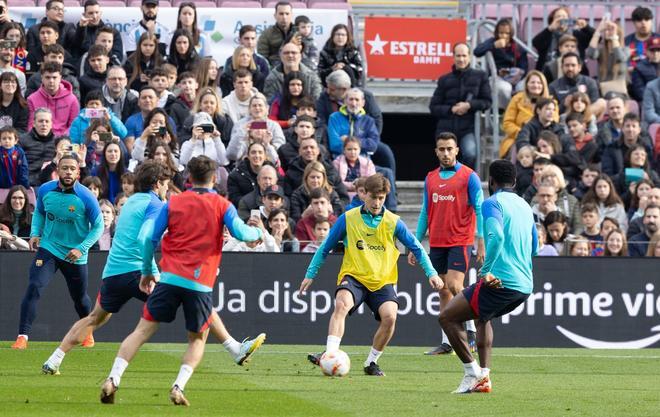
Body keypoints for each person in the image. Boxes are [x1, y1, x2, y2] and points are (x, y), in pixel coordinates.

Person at [42, 161, 266, 375]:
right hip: (138, 272)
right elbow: (144, 238)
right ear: (157, 182)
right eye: (166, 183)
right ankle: (234, 349)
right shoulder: (154, 204)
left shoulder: (131, 201)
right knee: (198, 299)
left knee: (94, 318)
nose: (167, 188)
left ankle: (55, 358)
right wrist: (150, 272)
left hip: (113, 272)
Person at [99, 155, 263, 406]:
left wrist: (146, 270)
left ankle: (113, 379)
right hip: (199, 284)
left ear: (188, 179)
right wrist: (258, 233)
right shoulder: (222, 205)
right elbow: (242, 233)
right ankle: (178, 386)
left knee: (141, 332)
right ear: (214, 178)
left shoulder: (173, 203)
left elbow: (148, 239)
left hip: (169, 278)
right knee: (197, 338)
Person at [301, 173, 442, 376]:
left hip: (383, 281)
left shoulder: (394, 222)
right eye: (373, 197)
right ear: (364, 194)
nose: (377, 202)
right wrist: (310, 274)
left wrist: (431, 273)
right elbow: (325, 247)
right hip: (354, 277)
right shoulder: (348, 219)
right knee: (341, 304)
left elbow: (417, 248)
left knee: (390, 317)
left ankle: (371, 362)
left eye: (381, 198)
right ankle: (330, 354)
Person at [439, 159, 536, 394]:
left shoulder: (491, 203)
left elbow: (497, 237)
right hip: (524, 285)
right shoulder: (525, 205)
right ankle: (484, 376)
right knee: (484, 317)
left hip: (501, 281)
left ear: (490, 181)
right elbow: (535, 246)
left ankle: (471, 374)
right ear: (514, 181)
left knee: (447, 317)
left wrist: (487, 269)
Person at [11, 154, 103, 350]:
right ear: (58, 170)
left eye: (72, 168)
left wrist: (81, 248)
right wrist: (36, 233)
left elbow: (99, 226)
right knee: (34, 286)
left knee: (79, 298)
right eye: (64, 168)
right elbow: (39, 212)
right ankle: (22, 337)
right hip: (49, 248)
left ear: (78, 172)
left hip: (74, 254)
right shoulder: (45, 190)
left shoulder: (86, 196)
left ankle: (87, 333)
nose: (68, 172)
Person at [412, 132, 484, 355]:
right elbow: (426, 211)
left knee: (454, 285)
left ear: (457, 151)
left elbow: (480, 209)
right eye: (441, 149)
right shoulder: (431, 177)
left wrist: (480, 241)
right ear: (436, 151)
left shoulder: (469, 176)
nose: (445, 153)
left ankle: (471, 328)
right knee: (442, 290)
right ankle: (447, 342)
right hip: (437, 242)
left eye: (449, 149)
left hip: (460, 240)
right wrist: (415, 243)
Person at [430, 43, 491, 169]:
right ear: (453, 57)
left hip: (467, 128)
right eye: (458, 56)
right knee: (445, 159)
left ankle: (463, 181)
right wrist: (452, 109)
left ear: (469, 57)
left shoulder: (481, 76)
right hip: (446, 129)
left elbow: (487, 102)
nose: (461, 59)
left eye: (464, 55)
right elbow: (434, 107)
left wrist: (469, 105)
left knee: (471, 154)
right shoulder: (444, 79)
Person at [500, 70, 556, 157]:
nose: (536, 85)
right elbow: (507, 123)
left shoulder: (551, 102)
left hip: (545, 140)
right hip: (518, 138)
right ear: (527, 85)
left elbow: (554, 122)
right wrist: (523, 133)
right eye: (532, 82)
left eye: (539, 82)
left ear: (543, 85)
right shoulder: (517, 99)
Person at [474, 18, 528, 109]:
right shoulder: (492, 41)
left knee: (523, 87)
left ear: (511, 34)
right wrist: (494, 45)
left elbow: (524, 68)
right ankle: (508, 112)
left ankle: (521, 112)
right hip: (497, 77)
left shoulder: (517, 47)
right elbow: (477, 51)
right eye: (501, 33)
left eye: (507, 33)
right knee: (504, 88)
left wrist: (513, 74)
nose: (504, 36)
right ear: (496, 33)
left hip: (516, 78)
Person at [532, 6, 594, 72]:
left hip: (574, 74)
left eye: (564, 17)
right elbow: (535, 43)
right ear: (552, 20)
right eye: (558, 17)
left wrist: (586, 27)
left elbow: (597, 39)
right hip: (549, 74)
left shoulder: (576, 35)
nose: (561, 19)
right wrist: (550, 29)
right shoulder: (547, 34)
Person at [227, 94, 285, 163]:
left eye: (260, 105)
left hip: (269, 161)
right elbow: (232, 155)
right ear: (249, 109)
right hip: (244, 163)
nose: (257, 108)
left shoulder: (274, 125)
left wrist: (267, 146)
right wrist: (242, 133)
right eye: (254, 106)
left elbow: (280, 148)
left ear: (267, 108)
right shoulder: (240, 125)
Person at [27, 62, 79, 137]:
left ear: (60, 78)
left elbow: (74, 126)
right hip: (40, 140)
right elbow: (31, 126)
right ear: (42, 78)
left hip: (65, 140)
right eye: (47, 77)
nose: (51, 81)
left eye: (54, 77)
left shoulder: (72, 99)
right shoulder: (31, 99)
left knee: (73, 148)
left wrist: (61, 139)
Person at [549, 52, 605, 117]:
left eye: (573, 65)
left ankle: (580, 122)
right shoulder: (553, 86)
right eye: (567, 65)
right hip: (565, 119)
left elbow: (594, 103)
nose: (570, 68)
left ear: (579, 67)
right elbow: (551, 110)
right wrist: (564, 105)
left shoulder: (590, 82)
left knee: (601, 102)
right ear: (562, 67)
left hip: (586, 117)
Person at [601, 113, 654, 177]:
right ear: (622, 128)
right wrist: (631, 175)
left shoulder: (646, 148)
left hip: (642, 184)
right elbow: (607, 174)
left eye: (634, 126)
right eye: (627, 126)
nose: (630, 129)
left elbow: (650, 173)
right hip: (617, 185)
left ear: (639, 130)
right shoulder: (611, 148)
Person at [72, 0, 123, 67]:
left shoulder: (113, 33)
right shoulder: (78, 31)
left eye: (97, 12)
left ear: (100, 13)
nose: (95, 16)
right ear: (84, 15)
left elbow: (118, 56)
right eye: (91, 13)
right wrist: (81, 28)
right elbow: (77, 48)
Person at [586, 18, 627, 93]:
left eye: (611, 29)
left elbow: (620, 57)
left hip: (619, 93)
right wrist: (598, 31)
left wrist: (614, 37)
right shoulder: (601, 51)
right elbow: (590, 54)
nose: (608, 32)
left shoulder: (625, 50)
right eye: (606, 30)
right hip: (603, 92)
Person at [227, 141, 273, 206]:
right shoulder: (235, 175)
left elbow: (282, 196)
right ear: (248, 156)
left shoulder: (273, 173)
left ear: (265, 156)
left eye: (260, 152)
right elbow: (234, 199)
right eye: (253, 152)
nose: (257, 155)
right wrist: (256, 202)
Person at [318, 23, 363, 88]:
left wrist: (345, 66)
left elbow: (360, 69)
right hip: (330, 85)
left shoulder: (353, 51)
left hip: (350, 84)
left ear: (347, 37)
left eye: (343, 35)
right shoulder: (324, 53)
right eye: (337, 34)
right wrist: (332, 69)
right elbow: (319, 72)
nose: (340, 37)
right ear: (333, 36)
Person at [20, 108, 56, 186]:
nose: (44, 124)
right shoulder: (22, 140)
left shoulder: (58, 142)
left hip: (51, 183)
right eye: (40, 121)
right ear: (33, 123)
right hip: (27, 183)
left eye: (47, 121)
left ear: (51, 124)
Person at [257, 1, 296, 67]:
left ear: (291, 15)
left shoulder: (299, 32)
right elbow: (262, 59)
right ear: (275, 15)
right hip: (274, 70)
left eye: (287, 14)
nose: (284, 17)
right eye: (281, 14)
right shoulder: (266, 34)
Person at [631, 37, 660, 102]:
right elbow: (639, 91)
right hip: (650, 102)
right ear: (646, 51)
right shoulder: (639, 67)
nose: (655, 53)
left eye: (658, 50)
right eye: (652, 50)